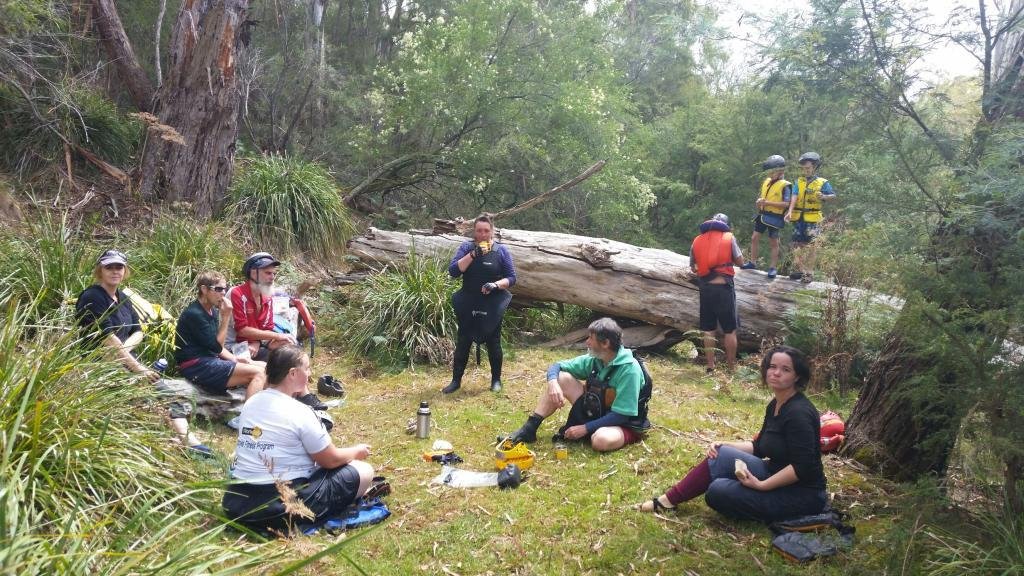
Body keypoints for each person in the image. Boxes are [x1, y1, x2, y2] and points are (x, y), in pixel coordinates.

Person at [638, 346, 827, 523]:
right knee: (721, 453)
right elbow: (759, 447)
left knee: (718, 491)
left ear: (796, 377)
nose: (776, 373)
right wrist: (724, 444)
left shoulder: (798, 413)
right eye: (772, 366)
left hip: (801, 494)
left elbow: (802, 467)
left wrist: (762, 485)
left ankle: (770, 504)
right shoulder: (776, 404)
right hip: (773, 471)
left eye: (786, 369)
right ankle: (668, 500)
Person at [222, 345, 375, 533]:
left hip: (237, 503)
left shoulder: (251, 403)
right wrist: (356, 451)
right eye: (307, 368)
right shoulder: (300, 411)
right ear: (292, 373)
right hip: (278, 507)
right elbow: (330, 460)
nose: (310, 375)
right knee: (364, 471)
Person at [76, 249, 211, 456]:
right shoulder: (92, 296)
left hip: (123, 360)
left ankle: (189, 440)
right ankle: (185, 441)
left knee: (167, 391)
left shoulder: (122, 297)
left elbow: (138, 331)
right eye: (109, 267)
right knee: (157, 392)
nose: (114, 271)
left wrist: (126, 350)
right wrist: (138, 368)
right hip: (98, 366)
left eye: (119, 267)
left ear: (125, 270)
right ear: (99, 270)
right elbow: (106, 338)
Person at [508, 318, 645, 453]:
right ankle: (529, 429)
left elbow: (621, 415)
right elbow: (557, 366)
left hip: (622, 423)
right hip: (597, 412)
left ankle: (594, 433)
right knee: (561, 377)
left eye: (591, 338)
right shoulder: (596, 359)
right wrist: (553, 383)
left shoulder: (629, 370)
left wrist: (585, 428)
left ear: (605, 343)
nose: (587, 342)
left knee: (600, 440)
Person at [228, 252, 324, 410]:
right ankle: (293, 398)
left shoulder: (267, 296)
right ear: (253, 272)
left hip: (254, 345)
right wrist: (276, 336)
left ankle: (304, 395)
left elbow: (265, 327)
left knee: (290, 351)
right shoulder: (237, 293)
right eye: (267, 273)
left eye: (273, 273)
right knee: (282, 358)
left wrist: (261, 342)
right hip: (233, 347)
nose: (272, 277)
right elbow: (242, 329)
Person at [443, 214, 517, 394]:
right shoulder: (466, 247)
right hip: (468, 300)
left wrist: (495, 285)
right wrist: (473, 255)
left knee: (494, 341)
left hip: (492, 302)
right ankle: (455, 381)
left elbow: (512, 278)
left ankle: (496, 380)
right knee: (463, 340)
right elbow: (453, 271)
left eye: (486, 231)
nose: (483, 234)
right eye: (479, 231)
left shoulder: (501, 251)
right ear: (474, 232)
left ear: (492, 232)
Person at [175, 270, 266, 400]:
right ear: (204, 289)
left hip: (209, 360)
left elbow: (215, 347)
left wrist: (235, 359)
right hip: (195, 366)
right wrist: (226, 316)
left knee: (266, 367)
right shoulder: (195, 314)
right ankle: (247, 416)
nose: (223, 293)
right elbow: (217, 347)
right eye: (218, 289)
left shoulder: (211, 310)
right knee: (259, 373)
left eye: (225, 289)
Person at [689, 213, 746, 372]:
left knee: (708, 329)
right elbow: (740, 262)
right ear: (726, 225)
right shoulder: (729, 237)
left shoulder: (697, 240)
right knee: (730, 329)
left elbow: (693, 267)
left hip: (705, 288)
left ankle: (710, 366)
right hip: (724, 288)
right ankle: (731, 367)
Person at [740, 155, 796, 280]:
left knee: (773, 242)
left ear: (780, 171)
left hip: (775, 217)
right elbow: (763, 196)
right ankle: (752, 262)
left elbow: (786, 204)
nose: (770, 174)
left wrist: (767, 203)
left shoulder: (785, 185)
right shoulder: (767, 181)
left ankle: (772, 267)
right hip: (763, 215)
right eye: (769, 172)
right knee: (754, 238)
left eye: (772, 171)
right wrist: (759, 201)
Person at [788, 152, 836, 283]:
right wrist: (790, 211)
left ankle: (809, 273)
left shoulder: (822, 182)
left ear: (814, 167)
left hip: (813, 218)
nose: (805, 170)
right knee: (796, 245)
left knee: (812, 246)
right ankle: (800, 269)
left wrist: (824, 196)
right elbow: (794, 195)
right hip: (800, 217)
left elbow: (833, 196)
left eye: (808, 168)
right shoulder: (799, 181)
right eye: (803, 168)